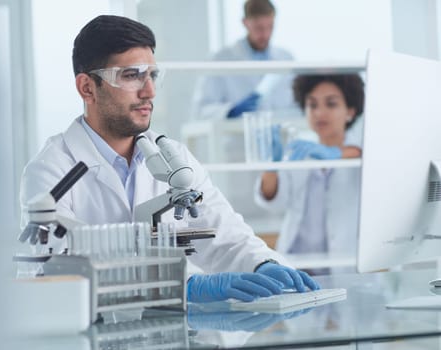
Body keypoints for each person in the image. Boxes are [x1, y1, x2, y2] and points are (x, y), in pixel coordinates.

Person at [20, 15, 319, 303]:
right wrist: (185, 284)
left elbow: (225, 233)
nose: (149, 91)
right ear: (87, 87)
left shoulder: (174, 158)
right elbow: (61, 269)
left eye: (152, 75)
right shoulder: (51, 171)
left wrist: (262, 264)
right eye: (130, 75)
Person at [254, 74, 365, 274]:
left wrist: (335, 154)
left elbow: (369, 156)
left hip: (344, 267)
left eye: (331, 104)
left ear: (350, 111)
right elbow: (273, 201)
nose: (319, 112)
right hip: (297, 265)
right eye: (312, 105)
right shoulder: (299, 153)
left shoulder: (363, 151)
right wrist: (270, 168)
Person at [191, 0, 295, 120]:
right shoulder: (221, 60)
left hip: (279, 135)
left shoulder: (285, 58)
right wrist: (230, 111)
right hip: (237, 136)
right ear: (245, 23)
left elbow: (297, 105)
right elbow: (200, 110)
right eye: (259, 28)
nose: (265, 34)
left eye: (270, 27)